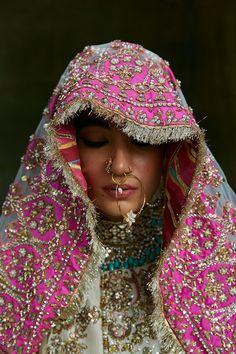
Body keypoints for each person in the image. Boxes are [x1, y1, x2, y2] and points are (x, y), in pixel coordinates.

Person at [0, 40, 235, 354]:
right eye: (96, 141)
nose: (120, 166)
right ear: (66, 149)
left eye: (140, 141)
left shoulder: (220, 271)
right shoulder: (18, 275)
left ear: (169, 150)